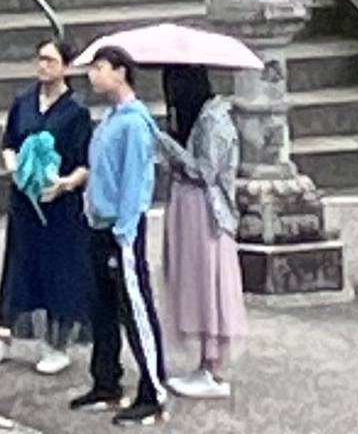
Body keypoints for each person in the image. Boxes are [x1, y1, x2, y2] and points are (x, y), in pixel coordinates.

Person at [0, 37, 90, 374]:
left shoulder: (76, 112)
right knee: (17, 265)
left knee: (57, 271)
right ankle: (4, 332)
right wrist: (12, 164)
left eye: (51, 60)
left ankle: (56, 344)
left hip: (58, 205)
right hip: (24, 201)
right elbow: (9, 142)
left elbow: (85, 163)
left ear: (66, 67)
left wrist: (65, 183)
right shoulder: (23, 101)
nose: (43, 66)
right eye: (40, 59)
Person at [73, 44, 168, 421]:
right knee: (103, 308)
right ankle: (106, 381)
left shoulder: (133, 123)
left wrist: (125, 230)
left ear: (120, 72)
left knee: (136, 307)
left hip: (121, 229)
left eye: (100, 68)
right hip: (99, 223)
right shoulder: (111, 118)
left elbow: (135, 182)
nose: (93, 75)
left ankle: (153, 389)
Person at [159, 64, 244, 399]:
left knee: (208, 282)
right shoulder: (200, 118)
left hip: (205, 210)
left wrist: (170, 146)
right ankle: (204, 363)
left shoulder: (213, 119)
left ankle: (211, 366)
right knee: (195, 279)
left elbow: (206, 171)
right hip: (188, 205)